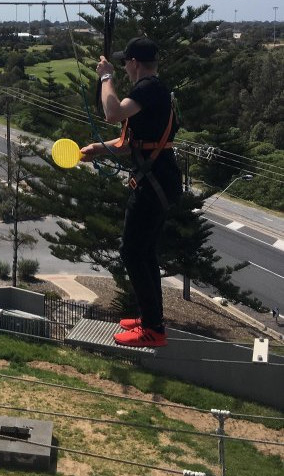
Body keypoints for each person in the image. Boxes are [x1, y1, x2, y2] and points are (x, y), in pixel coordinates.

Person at [80, 37, 180, 348]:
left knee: (132, 252)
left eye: (125, 63)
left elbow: (112, 113)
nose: (123, 67)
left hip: (153, 184)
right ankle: (152, 319)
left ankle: (152, 328)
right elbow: (127, 144)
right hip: (160, 181)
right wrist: (99, 149)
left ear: (135, 63)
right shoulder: (154, 92)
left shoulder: (147, 88)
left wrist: (105, 77)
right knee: (144, 251)